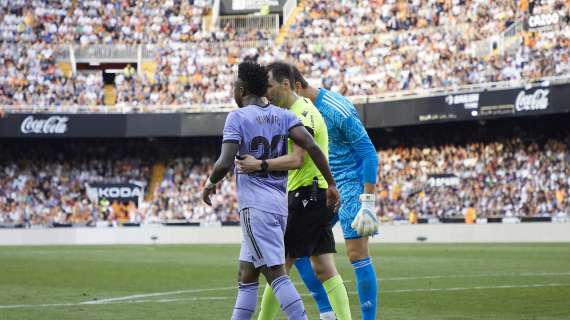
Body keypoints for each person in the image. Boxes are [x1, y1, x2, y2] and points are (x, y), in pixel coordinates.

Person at [238, 63, 380, 320]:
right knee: (321, 266)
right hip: (320, 192)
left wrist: (367, 201)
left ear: (290, 84)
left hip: (317, 192)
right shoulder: (297, 110)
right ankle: (329, 314)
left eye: (269, 87)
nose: (265, 94)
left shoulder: (307, 112)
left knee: (279, 265)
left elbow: (301, 157)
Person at [201, 61, 340, 320]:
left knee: (276, 273)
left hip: (256, 208)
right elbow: (311, 146)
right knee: (247, 274)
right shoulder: (283, 115)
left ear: (242, 89)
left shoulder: (237, 117)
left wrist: (210, 183)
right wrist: (331, 183)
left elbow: (224, 160)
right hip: (278, 205)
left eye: (234, 85)